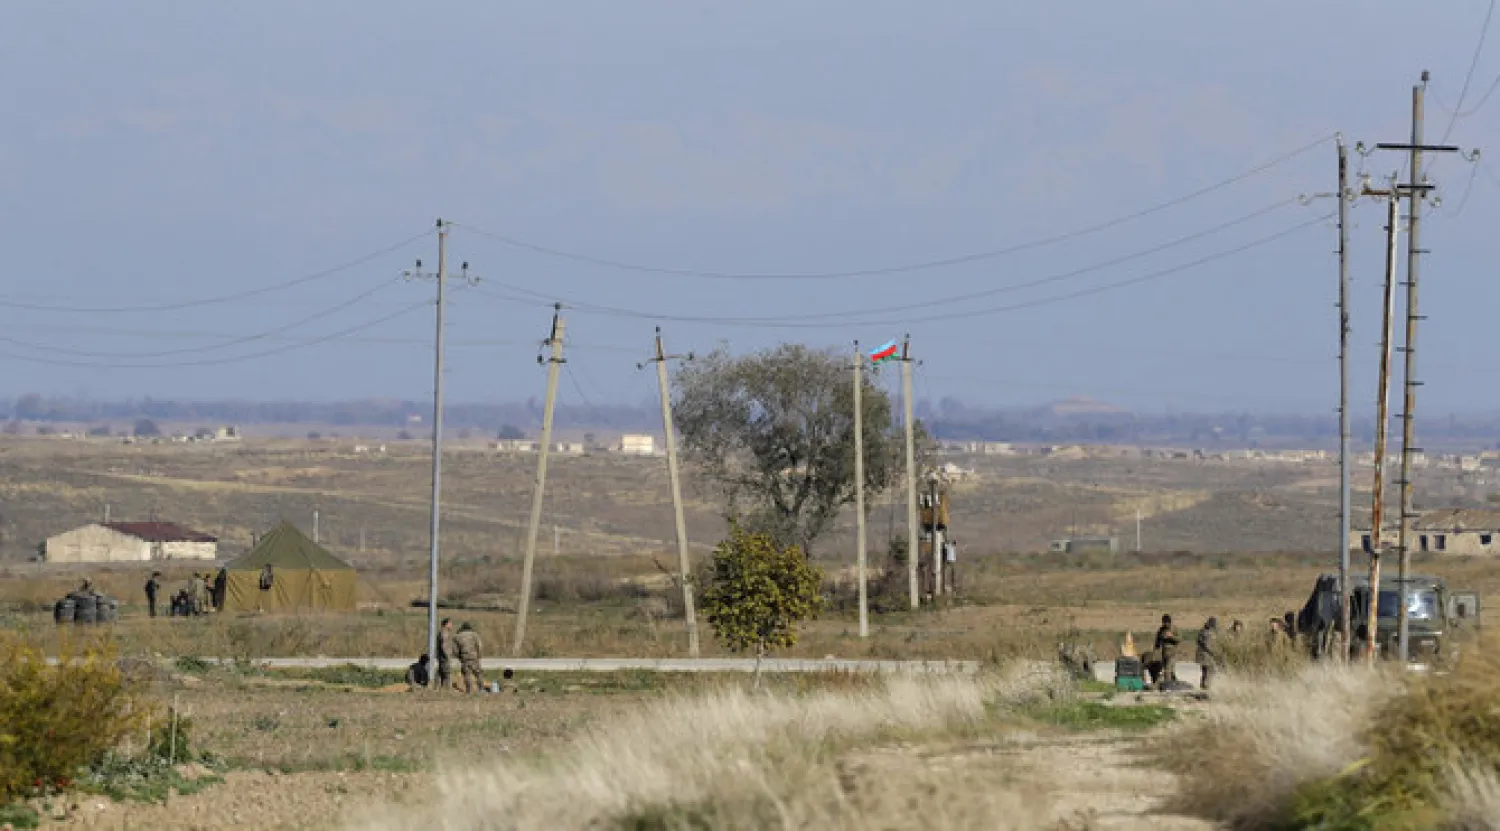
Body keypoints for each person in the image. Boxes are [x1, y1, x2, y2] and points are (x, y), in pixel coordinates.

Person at [454, 622, 484, 694]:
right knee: (478, 674)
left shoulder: (457, 636)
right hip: (474, 657)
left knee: (466, 675)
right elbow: (480, 646)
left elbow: (455, 650)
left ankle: (468, 691)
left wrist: (460, 657)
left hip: (464, 658)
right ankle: (481, 689)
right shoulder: (475, 635)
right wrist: (479, 656)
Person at [1154, 614, 1180, 690]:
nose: (1165, 624)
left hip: (1172, 653)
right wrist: (1156, 650)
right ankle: (1174, 683)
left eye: (1166, 623)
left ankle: (1167, 687)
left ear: (1169, 622)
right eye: (1164, 623)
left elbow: (1179, 639)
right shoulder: (1161, 630)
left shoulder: (1174, 629)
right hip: (1164, 653)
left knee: (1167, 670)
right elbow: (1157, 641)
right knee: (1169, 670)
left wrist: (1171, 637)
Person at [1195, 617, 1221, 691]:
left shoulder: (1203, 631)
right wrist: (1212, 652)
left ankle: (1203, 686)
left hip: (1203, 655)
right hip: (1206, 655)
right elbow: (1206, 644)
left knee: (1206, 671)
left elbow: (1198, 641)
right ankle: (1206, 687)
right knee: (1210, 671)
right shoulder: (1207, 632)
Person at [436, 618, 456, 691]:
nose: (451, 625)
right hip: (444, 657)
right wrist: (447, 656)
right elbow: (444, 645)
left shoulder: (442, 631)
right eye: (450, 624)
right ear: (446, 624)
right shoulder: (444, 632)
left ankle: (438, 688)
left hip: (441, 656)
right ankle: (448, 689)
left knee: (440, 672)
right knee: (448, 673)